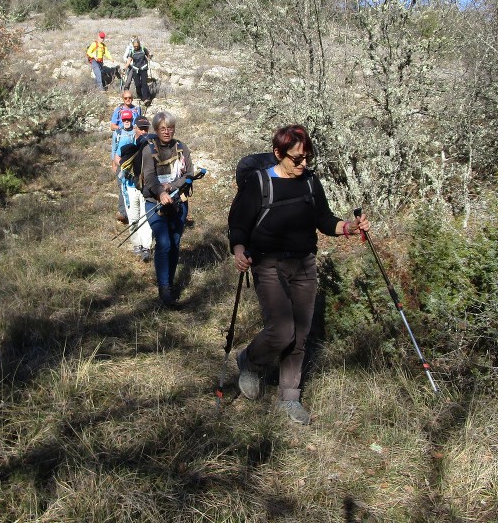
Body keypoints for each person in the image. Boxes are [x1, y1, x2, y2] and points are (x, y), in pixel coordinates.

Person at [227, 124, 370, 425]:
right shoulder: (259, 184)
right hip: (267, 263)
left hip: (304, 264)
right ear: (278, 154)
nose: (303, 164)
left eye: (307, 158)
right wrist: (239, 249)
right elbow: (239, 222)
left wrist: (348, 228)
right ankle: (249, 361)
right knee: (282, 329)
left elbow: (323, 219)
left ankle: (289, 398)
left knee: (300, 335)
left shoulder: (310, 183)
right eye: (297, 158)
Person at [141, 110, 193, 307]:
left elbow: (189, 174)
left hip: (179, 202)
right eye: (163, 128)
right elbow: (149, 176)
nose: (167, 132)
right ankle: (164, 288)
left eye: (170, 128)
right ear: (156, 129)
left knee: (176, 242)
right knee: (164, 243)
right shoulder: (149, 150)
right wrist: (161, 192)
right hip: (154, 203)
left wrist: (173, 186)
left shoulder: (181, 147)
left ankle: (169, 283)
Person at [117, 115, 154, 261]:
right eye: (141, 129)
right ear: (135, 128)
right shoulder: (127, 142)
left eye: (146, 129)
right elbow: (120, 161)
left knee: (145, 218)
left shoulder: (151, 144)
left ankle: (146, 247)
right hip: (131, 187)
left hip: (145, 188)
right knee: (133, 218)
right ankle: (136, 245)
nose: (144, 132)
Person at [111, 109, 137, 223]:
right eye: (124, 119)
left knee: (133, 187)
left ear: (132, 120)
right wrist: (113, 164)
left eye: (128, 119)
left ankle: (133, 211)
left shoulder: (136, 132)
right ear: (122, 120)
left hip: (133, 165)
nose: (127, 121)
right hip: (120, 165)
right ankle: (123, 213)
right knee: (122, 187)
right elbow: (114, 149)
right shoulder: (118, 133)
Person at [123, 37, 153, 104]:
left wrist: (150, 56)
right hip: (135, 69)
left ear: (139, 45)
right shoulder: (132, 51)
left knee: (144, 84)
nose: (136, 47)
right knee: (137, 84)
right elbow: (129, 60)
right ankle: (139, 95)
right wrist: (125, 67)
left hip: (143, 68)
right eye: (134, 46)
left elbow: (148, 56)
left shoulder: (143, 49)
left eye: (137, 46)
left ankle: (145, 99)